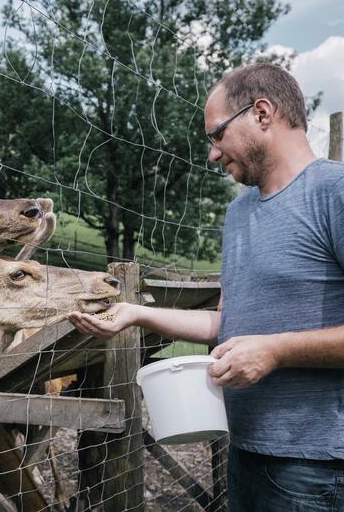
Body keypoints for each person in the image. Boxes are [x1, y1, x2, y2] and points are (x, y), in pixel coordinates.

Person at [67, 63, 344, 511]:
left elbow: (267, 344)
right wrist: (137, 313)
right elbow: (229, 323)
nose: (213, 154)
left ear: (261, 113)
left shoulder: (334, 192)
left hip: (318, 465)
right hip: (248, 451)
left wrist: (277, 351)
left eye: (216, 135)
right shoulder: (239, 215)